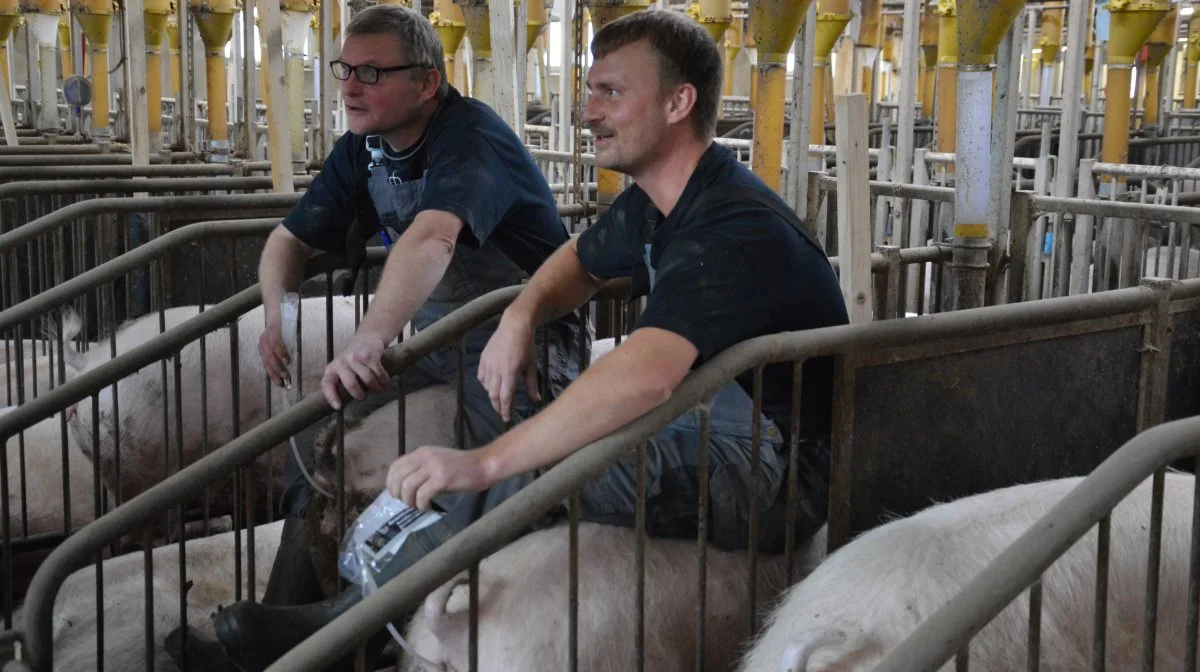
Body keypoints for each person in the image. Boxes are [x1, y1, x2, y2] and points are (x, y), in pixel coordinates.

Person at [206, 7, 848, 670]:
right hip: (718, 421)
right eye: (590, 90)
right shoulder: (661, 201)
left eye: (611, 94)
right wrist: (521, 314)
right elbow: (577, 262)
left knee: (537, 465)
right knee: (524, 450)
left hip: (779, 469)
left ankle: (340, 631)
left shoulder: (727, 226)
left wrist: (486, 463)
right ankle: (338, 612)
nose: (587, 112)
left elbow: (650, 373)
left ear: (679, 102)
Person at [191, 4, 585, 670]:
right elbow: (288, 239)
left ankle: (374, 632)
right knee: (326, 439)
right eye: (346, 70)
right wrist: (277, 310)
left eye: (372, 73)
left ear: (427, 82)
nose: (349, 87)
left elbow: (434, 234)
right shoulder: (365, 147)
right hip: (438, 342)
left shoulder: (470, 139)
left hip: (526, 344)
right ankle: (289, 622)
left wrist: (370, 339)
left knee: (506, 481)